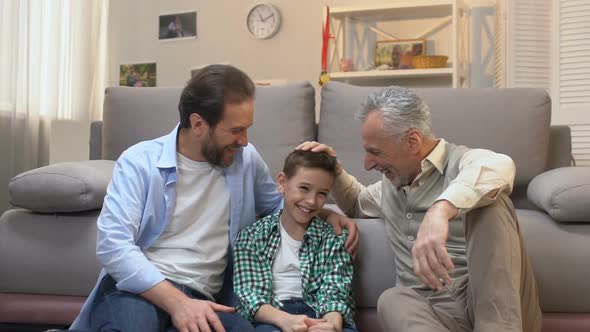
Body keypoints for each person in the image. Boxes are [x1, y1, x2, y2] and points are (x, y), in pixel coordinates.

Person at [69, 64, 358, 332]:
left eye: (247, 129)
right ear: (198, 124)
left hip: (206, 298)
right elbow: (113, 246)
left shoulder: (246, 159)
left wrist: (327, 213)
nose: (244, 140)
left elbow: (278, 208)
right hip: (140, 290)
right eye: (235, 130)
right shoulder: (139, 161)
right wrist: (178, 304)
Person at [298, 86, 542, 332]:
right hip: (435, 315)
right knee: (392, 300)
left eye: (375, 152)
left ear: (412, 141)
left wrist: (441, 211)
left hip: (497, 308)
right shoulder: (391, 185)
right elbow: (357, 203)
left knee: (491, 203)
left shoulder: (462, 162)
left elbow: (500, 166)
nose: (368, 163)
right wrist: (335, 170)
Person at [234, 150, 357, 332]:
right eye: (304, 188)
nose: (311, 201)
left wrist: (331, 325)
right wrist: (286, 321)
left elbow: (335, 294)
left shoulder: (333, 238)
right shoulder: (252, 236)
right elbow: (250, 296)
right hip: (273, 315)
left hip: (320, 313)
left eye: (322, 194)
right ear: (282, 183)